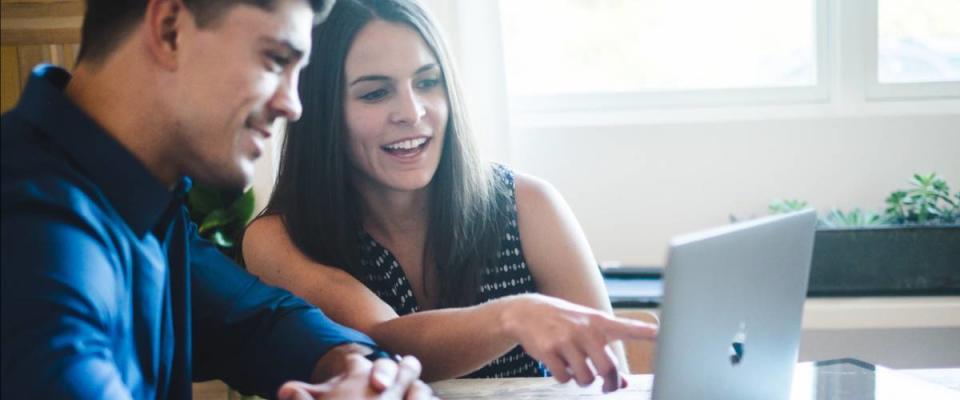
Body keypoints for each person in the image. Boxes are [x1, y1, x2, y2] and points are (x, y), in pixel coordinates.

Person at [0, 0, 435, 398]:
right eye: (275, 59)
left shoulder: (135, 198)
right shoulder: (30, 228)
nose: (293, 105)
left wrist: (364, 372)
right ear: (171, 29)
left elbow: (255, 322)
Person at [241, 0, 657, 393]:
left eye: (427, 83)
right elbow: (384, 340)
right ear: (320, 114)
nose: (412, 111)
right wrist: (514, 315)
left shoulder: (530, 206)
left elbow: (609, 379)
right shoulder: (280, 238)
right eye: (375, 93)